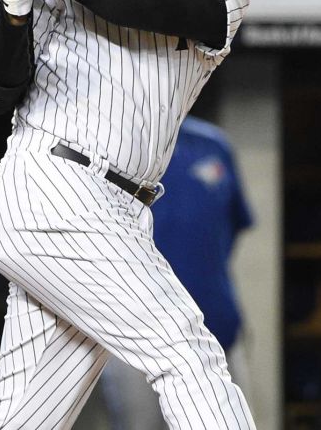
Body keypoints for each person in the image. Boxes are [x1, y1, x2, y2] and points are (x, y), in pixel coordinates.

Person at [0, 0, 255, 427]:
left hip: (124, 208)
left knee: (21, 421)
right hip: (53, 187)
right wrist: (14, 14)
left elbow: (150, 10)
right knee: (187, 355)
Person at [94, 115, 254, 430]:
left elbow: (225, 236)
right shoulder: (104, 146)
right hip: (133, 336)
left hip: (216, 328)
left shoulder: (214, 145)